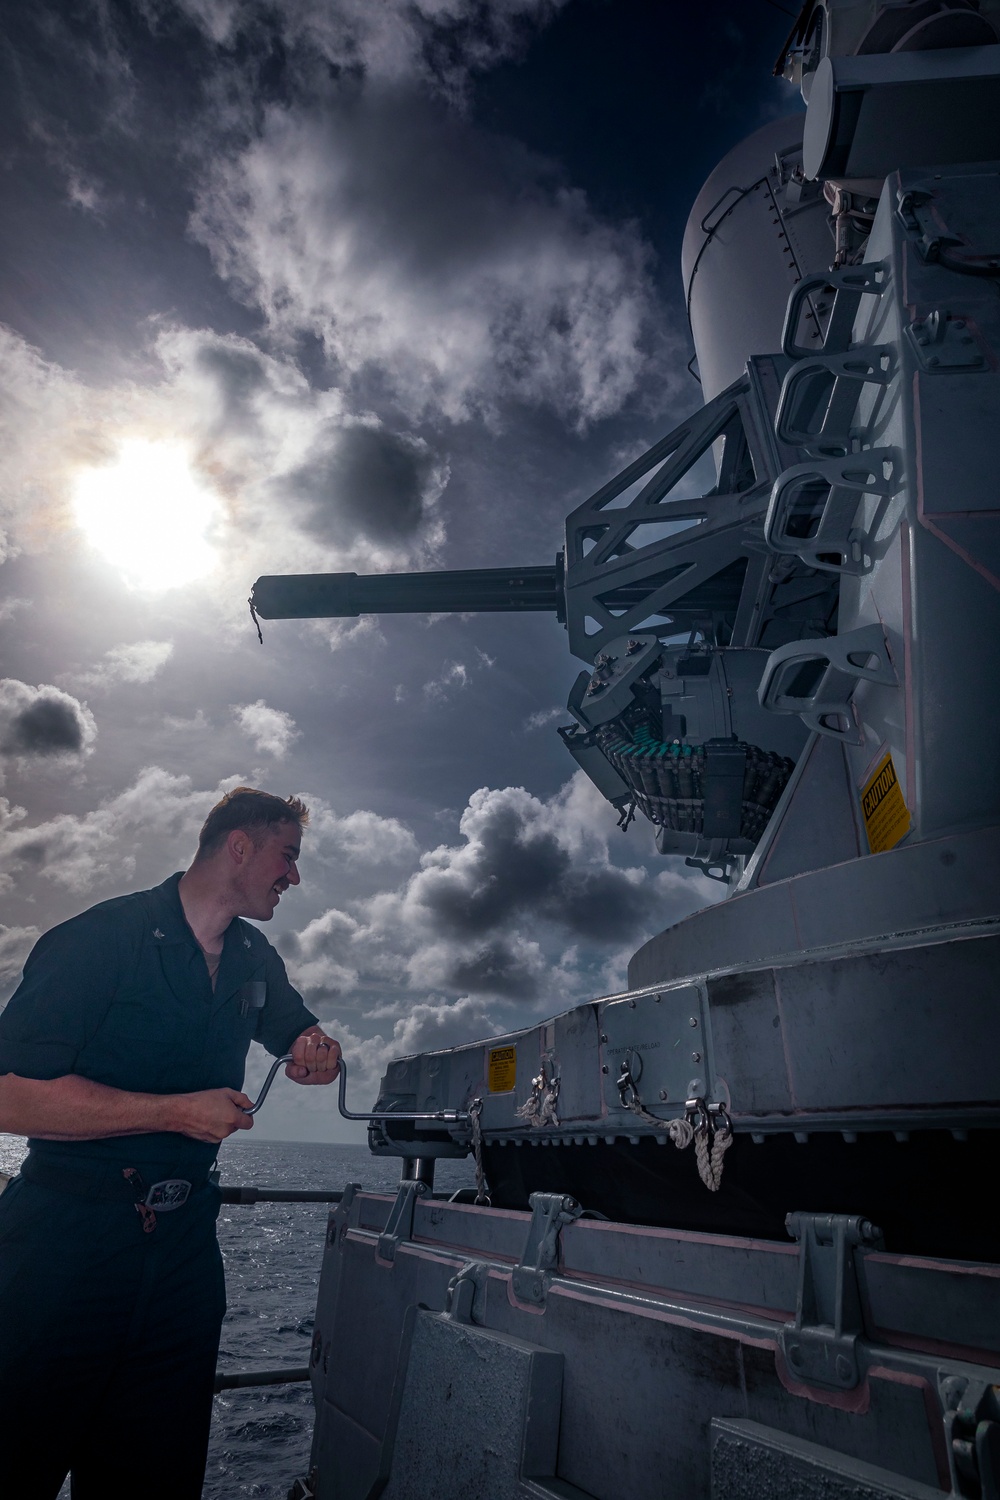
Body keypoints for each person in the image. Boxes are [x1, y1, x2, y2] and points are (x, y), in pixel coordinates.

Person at [0, 786, 341, 1499]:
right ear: (239, 847)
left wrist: (318, 1051)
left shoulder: (254, 957)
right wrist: (172, 1114)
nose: (295, 877)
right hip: (63, 1248)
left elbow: (301, 1041)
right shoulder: (98, 938)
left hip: (185, 1256)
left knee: (155, 1476)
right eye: (288, 856)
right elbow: (9, 1094)